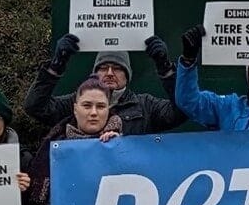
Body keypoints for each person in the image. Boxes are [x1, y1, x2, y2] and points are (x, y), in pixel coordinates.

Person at [26, 77, 121, 205]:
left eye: (100, 106)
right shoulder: (52, 147)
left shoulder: (123, 143)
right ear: (75, 109)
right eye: (87, 105)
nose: (93, 112)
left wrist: (120, 150)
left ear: (109, 110)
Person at [24, 34, 186, 135]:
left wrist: (166, 69)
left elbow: (181, 111)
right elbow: (35, 107)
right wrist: (55, 67)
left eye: (117, 68)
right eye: (103, 68)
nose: (109, 73)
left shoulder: (145, 106)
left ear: (128, 75)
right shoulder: (78, 101)